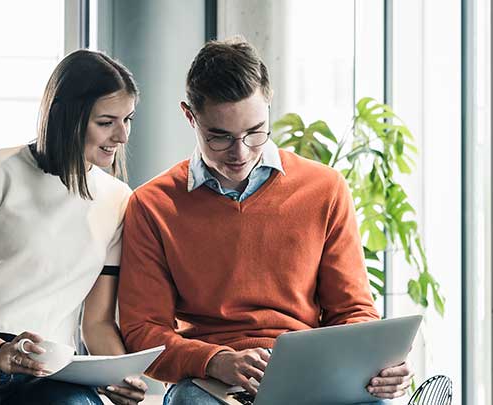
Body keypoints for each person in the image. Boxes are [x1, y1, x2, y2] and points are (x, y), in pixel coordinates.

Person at [117, 37, 413, 404]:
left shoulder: (325, 188)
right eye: (219, 138)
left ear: (268, 104)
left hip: (313, 373)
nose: (240, 152)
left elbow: (352, 310)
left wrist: (378, 363)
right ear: (190, 116)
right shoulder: (152, 206)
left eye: (255, 131)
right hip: (210, 383)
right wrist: (215, 360)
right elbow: (143, 332)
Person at [0, 49, 149, 405]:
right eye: (106, 122)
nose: (122, 135)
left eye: (128, 119)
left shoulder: (118, 199)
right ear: (68, 116)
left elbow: (96, 323)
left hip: (51, 366)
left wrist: (120, 376)